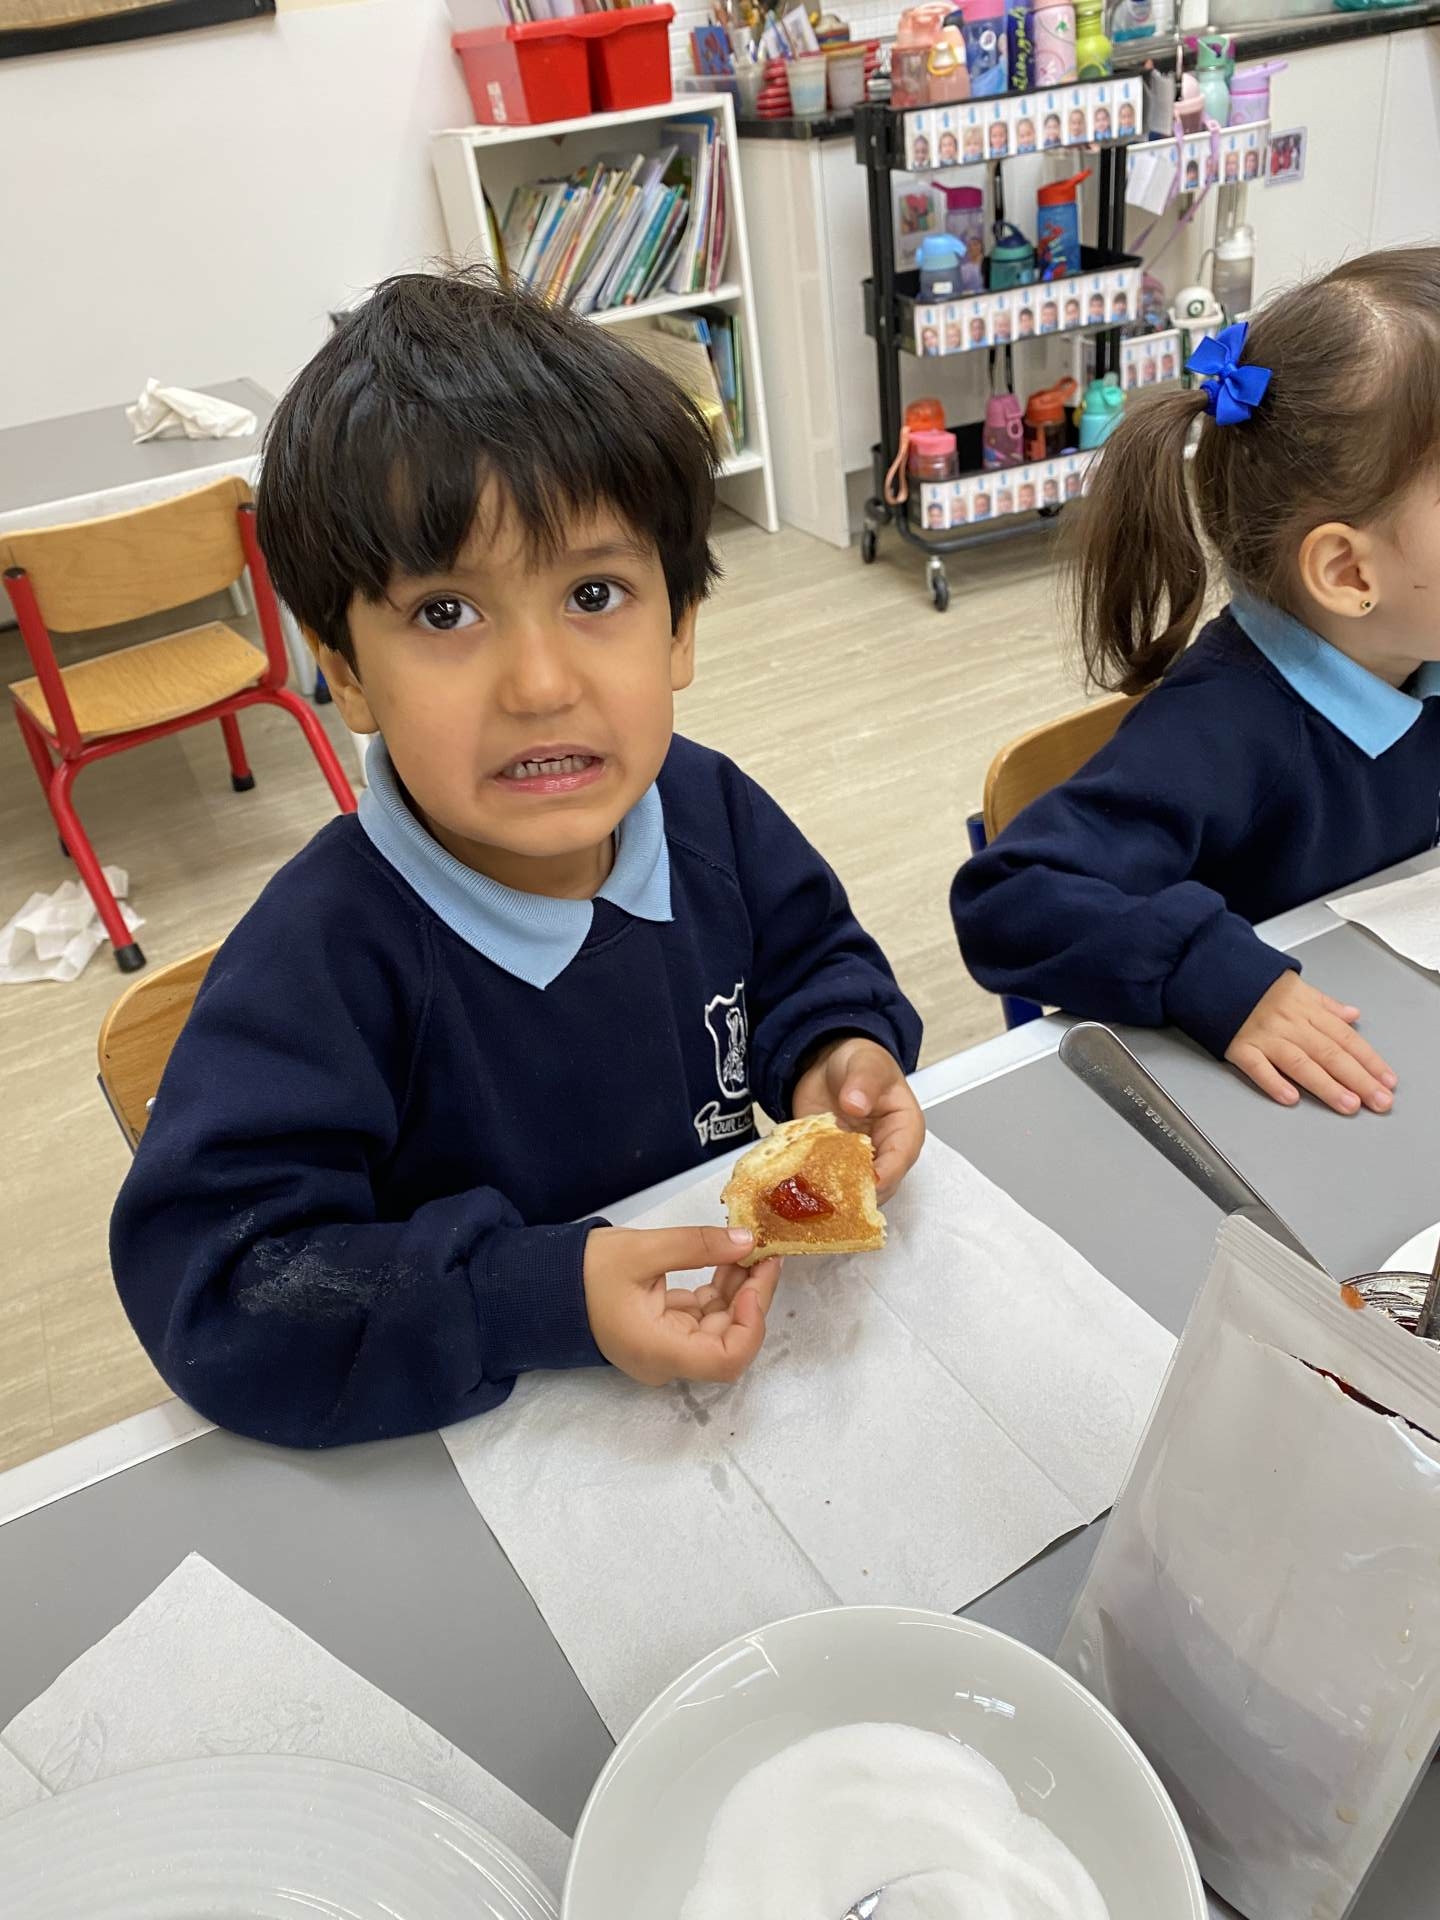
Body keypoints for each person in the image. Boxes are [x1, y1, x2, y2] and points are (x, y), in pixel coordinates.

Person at [110, 272, 926, 1448]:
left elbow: (814, 962)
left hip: (743, 1408)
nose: (540, 687)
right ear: (345, 672)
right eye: (446, 613)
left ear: (680, 628)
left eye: (595, 593)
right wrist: (529, 1297)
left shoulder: (710, 814)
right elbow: (221, 1291)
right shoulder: (321, 959)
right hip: (471, 1449)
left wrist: (837, 1054)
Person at [952, 249, 1440, 1117]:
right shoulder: (1223, 728)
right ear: (1348, 572)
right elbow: (1010, 897)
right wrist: (1213, 975)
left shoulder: (1414, 642)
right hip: (1263, 1108)